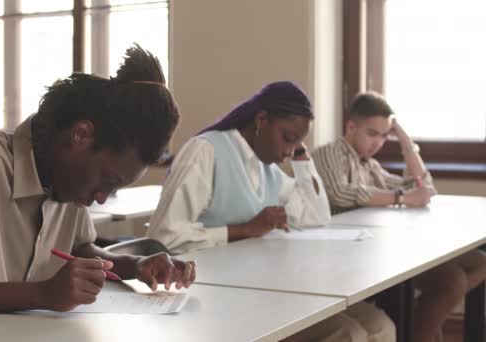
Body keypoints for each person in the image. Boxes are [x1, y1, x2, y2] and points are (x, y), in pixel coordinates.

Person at [0, 44, 196, 319]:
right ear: (80, 136)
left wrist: (133, 266)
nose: (102, 197)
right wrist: (42, 293)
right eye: (108, 180)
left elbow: (79, 249)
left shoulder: (68, 180)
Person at [147, 82, 394, 342]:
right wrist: (242, 230)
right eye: (288, 138)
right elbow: (164, 238)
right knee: (348, 334)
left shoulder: (267, 168)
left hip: (259, 285)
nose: (288, 151)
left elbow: (316, 216)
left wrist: (301, 157)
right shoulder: (206, 151)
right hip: (213, 293)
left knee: (380, 326)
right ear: (261, 120)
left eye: (297, 143)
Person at [312, 91, 486, 342]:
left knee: (477, 263)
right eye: (372, 133)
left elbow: (422, 186)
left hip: (378, 250)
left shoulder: (369, 165)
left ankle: (418, 326)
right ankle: (422, 329)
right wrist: (401, 199)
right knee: (452, 281)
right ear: (351, 127)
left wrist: (405, 142)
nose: (378, 143)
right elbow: (340, 193)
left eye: (384, 136)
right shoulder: (330, 153)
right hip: (346, 258)